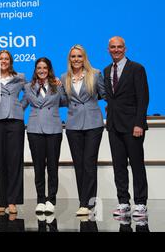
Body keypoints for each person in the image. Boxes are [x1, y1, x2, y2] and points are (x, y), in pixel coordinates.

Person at [104, 36, 149, 218]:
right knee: (119, 166)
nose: (116, 50)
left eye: (119, 47)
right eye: (113, 47)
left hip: (133, 127)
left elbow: (143, 97)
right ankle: (123, 202)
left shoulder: (137, 68)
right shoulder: (107, 70)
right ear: (108, 50)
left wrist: (139, 123)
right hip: (114, 126)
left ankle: (140, 203)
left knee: (137, 165)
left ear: (125, 49)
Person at [60, 44, 106, 216]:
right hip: (73, 125)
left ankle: (89, 202)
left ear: (84, 57)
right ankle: (83, 202)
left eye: (79, 56)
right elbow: (63, 101)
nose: (76, 59)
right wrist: (57, 87)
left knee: (89, 163)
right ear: (69, 59)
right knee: (79, 164)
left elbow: (104, 94)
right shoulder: (64, 77)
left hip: (93, 123)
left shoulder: (95, 74)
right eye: (73, 56)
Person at [21, 57, 67, 215]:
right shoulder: (28, 87)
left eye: (45, 68)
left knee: (53, 166)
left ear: (49, 69)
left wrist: (61, 88)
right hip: (34, 130)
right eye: (39, 68)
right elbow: (22, 105)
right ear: (35, 70)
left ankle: (51, 200)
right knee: (38, 167)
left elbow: (65, 101)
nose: (42, 70)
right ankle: (40, 199)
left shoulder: (57, 84)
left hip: (54, 129)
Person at [0, 50, 26, 215]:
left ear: (10, 61)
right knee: (1, 162)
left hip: (15, 121)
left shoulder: (20, 77)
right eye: (0, 59)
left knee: (15, 162)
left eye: (6, 59)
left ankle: (13, 201)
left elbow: (31, 93)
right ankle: (3, 201)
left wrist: (20, 106)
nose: (3, 61)